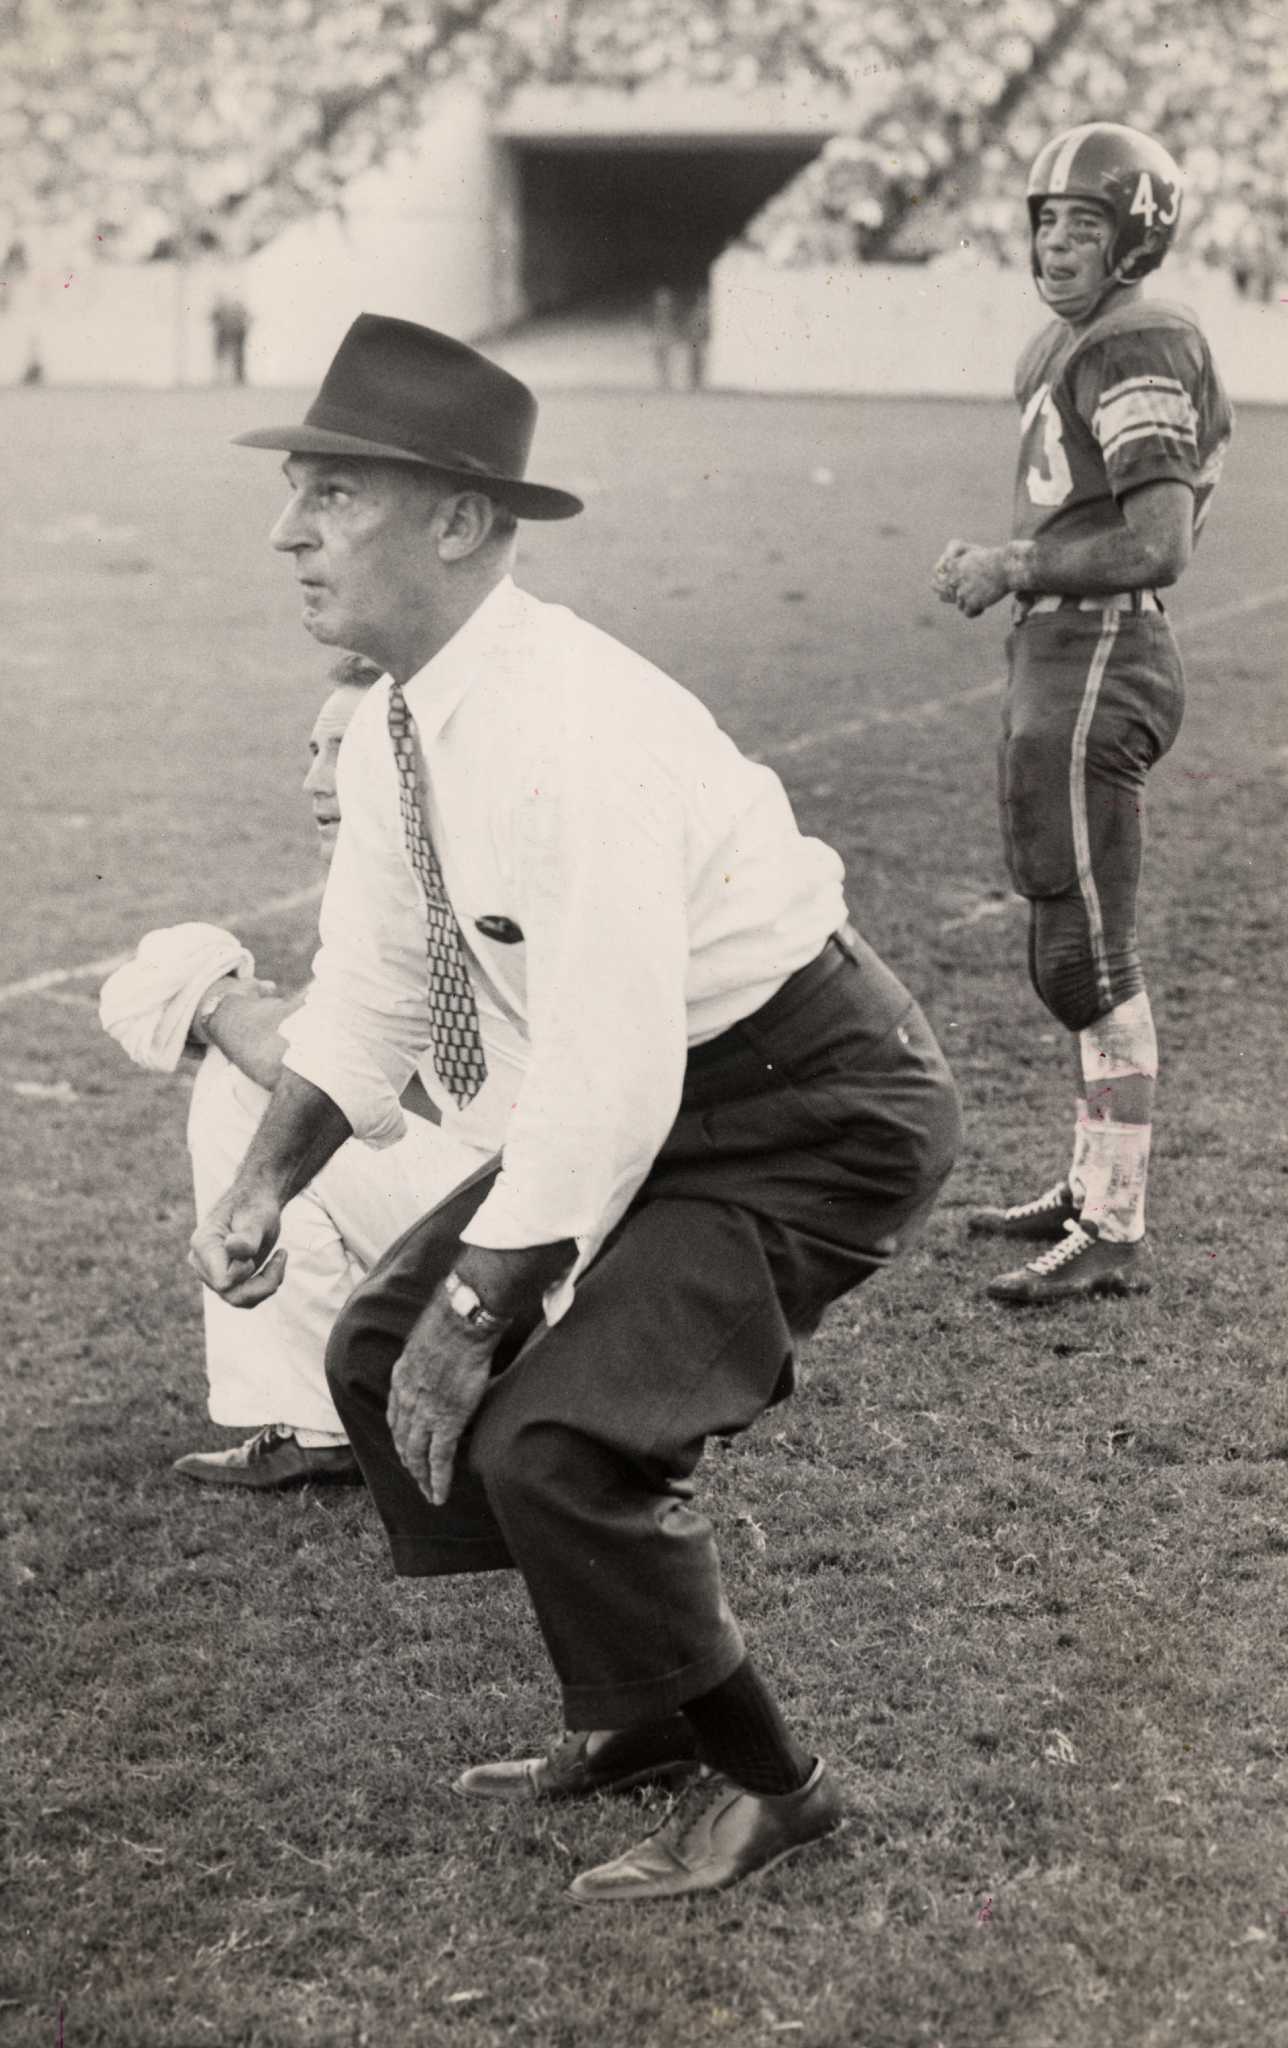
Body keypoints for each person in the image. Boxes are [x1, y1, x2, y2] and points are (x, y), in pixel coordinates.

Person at [190, 314, 960, 1903]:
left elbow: (608, 1080)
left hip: (812, 1103)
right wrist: (266, 1184)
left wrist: (480, 1316)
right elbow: (376, 989)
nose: (288, 533)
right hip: (666, 1093)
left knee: (547, 1431)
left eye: (334, 494)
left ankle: (774, 1784)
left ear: (463, 522)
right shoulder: (408, 712)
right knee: (364, 1352)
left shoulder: (570, 733)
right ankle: (636, 1721)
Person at [931, 123, 1233, 1306]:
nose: (1056, 242)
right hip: (1063, 643)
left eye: (1085, 223)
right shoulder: (1079, 339)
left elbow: (1157, 540)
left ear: (1135, 235)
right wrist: (1018, 570)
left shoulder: (1137, 338)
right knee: (1064, 919)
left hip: (1101, 647)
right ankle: (1087, 1179)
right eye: (1045, 219)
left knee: (1085, 942)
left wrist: (1013, 564)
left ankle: (1112, 1220)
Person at [101, 654, 505, 1488]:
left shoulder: (456, 878)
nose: (315, 779)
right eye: (312, 751)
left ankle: (322, 1424)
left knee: (248, 1089)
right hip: (510, 1210)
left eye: (339, 751)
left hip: (539, 1239)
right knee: (266, 1084)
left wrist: (208, 1003)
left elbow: (308, 1061)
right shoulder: (411, 869)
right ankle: (335, 1400)